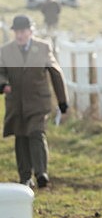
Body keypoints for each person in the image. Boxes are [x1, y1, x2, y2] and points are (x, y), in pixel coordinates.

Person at [0, 15, 69, 189]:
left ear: (30, 32)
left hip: (38, 101)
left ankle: (41, 173)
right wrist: (3, 85)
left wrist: (62, 101)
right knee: (21, 136)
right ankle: (24, 177)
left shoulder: (43, 48)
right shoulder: (5, 51)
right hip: (16, 102)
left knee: (36, 133)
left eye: (23, 31)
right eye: (17, 32)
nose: (20, 35)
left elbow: (56, 73)